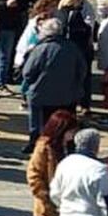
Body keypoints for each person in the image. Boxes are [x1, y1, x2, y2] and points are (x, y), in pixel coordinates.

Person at [21, 17, 86, 152]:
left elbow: (27, 72)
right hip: (68, 96)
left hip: (42, 96)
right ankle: (68, 146)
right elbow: (82, 70)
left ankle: (35, 143)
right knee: (66, 123)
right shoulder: (72, 47)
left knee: (40, 124)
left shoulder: (41, 49)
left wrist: (33, 83)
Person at [27, 109, 78, 216]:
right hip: (49, 207)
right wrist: (45, 196)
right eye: (71, 131)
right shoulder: (44, 147)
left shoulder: (70, 146)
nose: (73, 134)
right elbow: (33, 174)